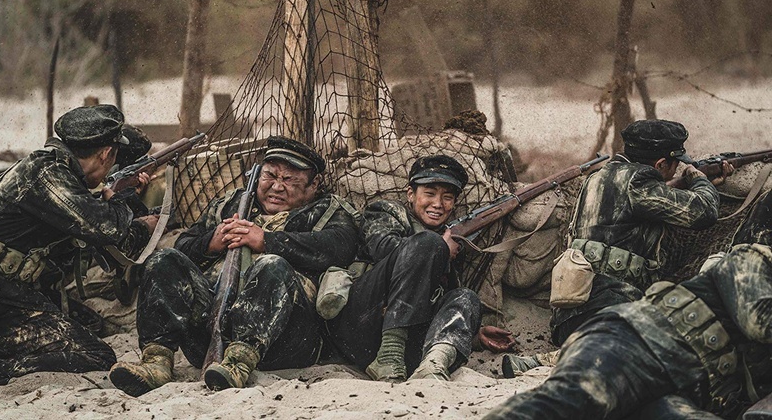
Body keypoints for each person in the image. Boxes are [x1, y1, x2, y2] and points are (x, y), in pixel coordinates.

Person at [108, 136, 362, 396]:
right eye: (270, 176)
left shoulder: (328, 211)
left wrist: (266, 241)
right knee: (164, 260)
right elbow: (184, 244)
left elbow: (340, 247)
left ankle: (239, 364)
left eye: (289, 180)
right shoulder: (231, 204)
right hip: (209, 332)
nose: (277, 186)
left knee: (272, 265)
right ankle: (156, 362)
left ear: (313, 185)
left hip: (285, 342)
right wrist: (210, 243)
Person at [503, 119, 731, 377]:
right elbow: (703, 212)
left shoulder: (596, 178)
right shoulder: (639, 181)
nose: (678, 167)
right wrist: (699, 179)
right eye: (675, 163)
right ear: (660, 164)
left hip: (568, 318)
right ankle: (544, 361)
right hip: (610, 310)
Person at [484, 238, 772, 420]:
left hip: (683, 391)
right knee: (569, 403)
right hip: (639, 345)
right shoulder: (753, 258)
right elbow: (759, 322)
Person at [0, 105, 157, 385]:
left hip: (0, 287)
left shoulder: (52, 168)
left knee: (91, 324)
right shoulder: (49, 177)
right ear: (105, 154)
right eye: (113, 158)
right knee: (95, 354)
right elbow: (109, 229)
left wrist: (124, 197)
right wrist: (124, 200)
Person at [325, 154, 514, 382]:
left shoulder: (447, 239)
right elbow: (383, 249)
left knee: (467, 298)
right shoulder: (386, 211)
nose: (438, 204)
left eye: (447, 197)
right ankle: (389, 355)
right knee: (429, 243)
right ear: (411, 194)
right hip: (363, 324)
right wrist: (440, 248)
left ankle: (433, 365)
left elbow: (438, 300)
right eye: (430, 193)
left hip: (408, 343)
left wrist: (473, 335)